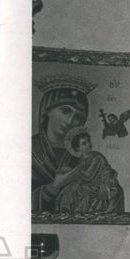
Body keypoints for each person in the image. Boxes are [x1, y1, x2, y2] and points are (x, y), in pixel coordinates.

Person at [32, 75, 91, 212]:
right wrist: (54, 187)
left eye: (78, 117)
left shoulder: (83, 156)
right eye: (65, 111)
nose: (70, 121)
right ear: (47, 111)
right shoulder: (25, 150)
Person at [55, 128, 125, 213]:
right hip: (92, 184)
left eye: (89, 141)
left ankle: (72, 211)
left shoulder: (97, 157)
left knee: (76, 189)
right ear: (78, 148)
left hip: (105, 184)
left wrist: (75, 172)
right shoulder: (82, 158)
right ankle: (65, 210)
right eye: (84, 143)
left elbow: (88, 177)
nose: (89, 144)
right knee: (69, 189)